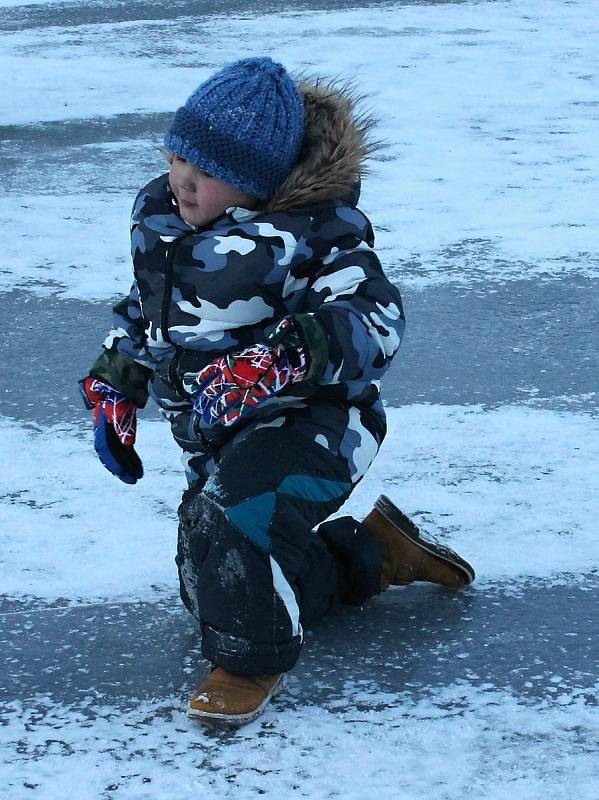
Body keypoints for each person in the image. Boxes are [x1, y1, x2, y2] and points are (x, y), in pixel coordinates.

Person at [80, 57, 474, 728]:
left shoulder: (315, 238)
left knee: (237, 515)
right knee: (213, 582)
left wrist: (289, 353)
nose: (182, 180)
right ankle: (373, 554)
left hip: (315, 425)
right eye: (177, 158)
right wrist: (116, 382)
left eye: (206, 174)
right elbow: (146, 312)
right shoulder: (165, 225)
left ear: (257, 186)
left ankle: (250, 666)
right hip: (216, 432)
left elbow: (376, 320)